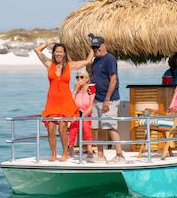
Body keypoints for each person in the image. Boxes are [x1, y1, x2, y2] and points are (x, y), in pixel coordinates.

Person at [35, 38, 94, 162]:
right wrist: (49, 42)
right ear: (54, 53)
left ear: (64, 53)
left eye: (61, 52)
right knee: (50, 128)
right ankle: (54, 154)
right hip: (52, 102)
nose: (59, 54)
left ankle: (65, 153)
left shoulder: (69, 66)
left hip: (65, 102)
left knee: (62, 128)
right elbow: (37, 50)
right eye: (56, 51)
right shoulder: (49, 64)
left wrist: (92, 47)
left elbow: (88, 61)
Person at [88, 34, 125, 164]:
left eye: (98, 47)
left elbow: (113, 80)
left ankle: (120, 155)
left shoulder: (110, 59)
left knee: (110, 126)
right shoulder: (95, 60)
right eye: (93, 47)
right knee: (96, 127)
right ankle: (100, 154)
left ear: (104, 45)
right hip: (97, 99)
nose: (96, 49)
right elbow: (94, 78)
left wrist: (107, 100)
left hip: (109, 99)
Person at [67, 69, 94, 158]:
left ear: (86, 79)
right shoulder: (75, 89)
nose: (79, 79)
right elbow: (70, 103)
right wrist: (74, 90)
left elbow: (91, 105)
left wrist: (84, 115)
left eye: (81, 77)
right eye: (77, 77)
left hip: (87, 113)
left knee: (86, 125)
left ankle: (89, 149)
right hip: (76, 113)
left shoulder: (91, 89)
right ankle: (70, 149)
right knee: (73, 127)